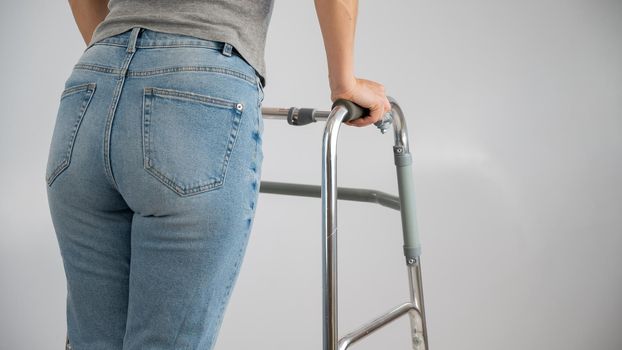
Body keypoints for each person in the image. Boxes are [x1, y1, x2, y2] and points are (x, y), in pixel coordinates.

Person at [46, 0, 391, 349]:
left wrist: (120, 56)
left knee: (93, 341)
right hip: (198, 83)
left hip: (89, 90)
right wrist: (344, 83)